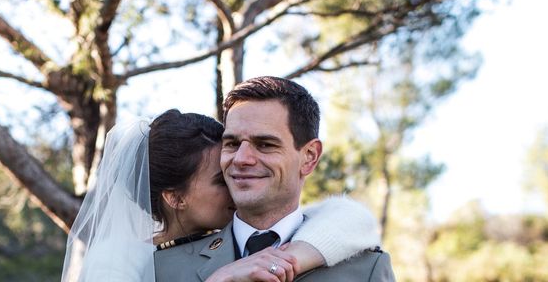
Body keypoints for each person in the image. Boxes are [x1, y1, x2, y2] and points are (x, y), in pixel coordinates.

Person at [62, 107, 382, 282]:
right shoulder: (119, 259)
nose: (237, 181)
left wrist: (292, 259)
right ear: (175, 197)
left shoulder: (225, 237)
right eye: (220, 179)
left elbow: (353, 219)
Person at [154, 77, 396, 281]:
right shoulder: (161, 267)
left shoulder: (366, 270)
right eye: (232, 143)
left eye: (265, 144)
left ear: (309, 157)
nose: (241, 158)